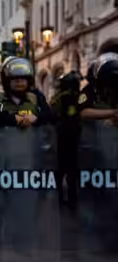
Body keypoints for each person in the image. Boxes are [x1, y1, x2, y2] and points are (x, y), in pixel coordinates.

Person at [0, 57, 52, 262]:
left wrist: (36, 118)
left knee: (26, 205)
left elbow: (51, 116)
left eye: (23, 79)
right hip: (3, 162)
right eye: (15, 80)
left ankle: (23, 245)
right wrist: (14, 119)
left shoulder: (37, 99)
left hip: (28, 162)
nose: (19, 83)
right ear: (7, 81)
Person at [51, 71, 82, 209]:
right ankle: (71, 199)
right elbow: (72, 116)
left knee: (61, 171)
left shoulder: (57, 96)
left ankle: (59, 198)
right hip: (69, 137)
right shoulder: (70, 97)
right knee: (70, 171)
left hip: (59, 137)